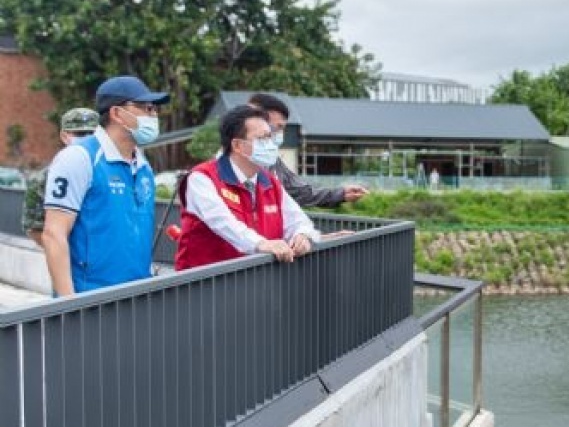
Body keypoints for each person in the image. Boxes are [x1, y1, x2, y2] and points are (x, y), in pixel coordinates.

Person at [42, 76, 167, 296]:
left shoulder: (143, 165)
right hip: (91, 301)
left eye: (155, 109)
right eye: (146, 108)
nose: (153, 115)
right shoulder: (79, 158)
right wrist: (68, 304)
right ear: (117, 113)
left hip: (136, 295)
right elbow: (54, 234)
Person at [175, 105, 321, 270]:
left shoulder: (270, 182)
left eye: (271, 137)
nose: (271, 145)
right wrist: (261, 244)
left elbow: (298, 220)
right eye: (262, 139)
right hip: (203, 287)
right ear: (237, 145)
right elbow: (223, 222)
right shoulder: (202, 178)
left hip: (252, 284)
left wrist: (302, 235)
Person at [245, 92, 368, 207]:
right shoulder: (233, 166)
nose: (280, 134)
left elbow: (299, 191)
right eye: (278, 127)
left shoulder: (271, 161)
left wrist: (341, 194)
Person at [23, 107, 100, 248]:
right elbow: (34, 227)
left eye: (92, 133)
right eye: (80, 133)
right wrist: (66, 254)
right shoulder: (43, 178)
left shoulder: (112, 170)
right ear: (64, 136)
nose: (87, 138)